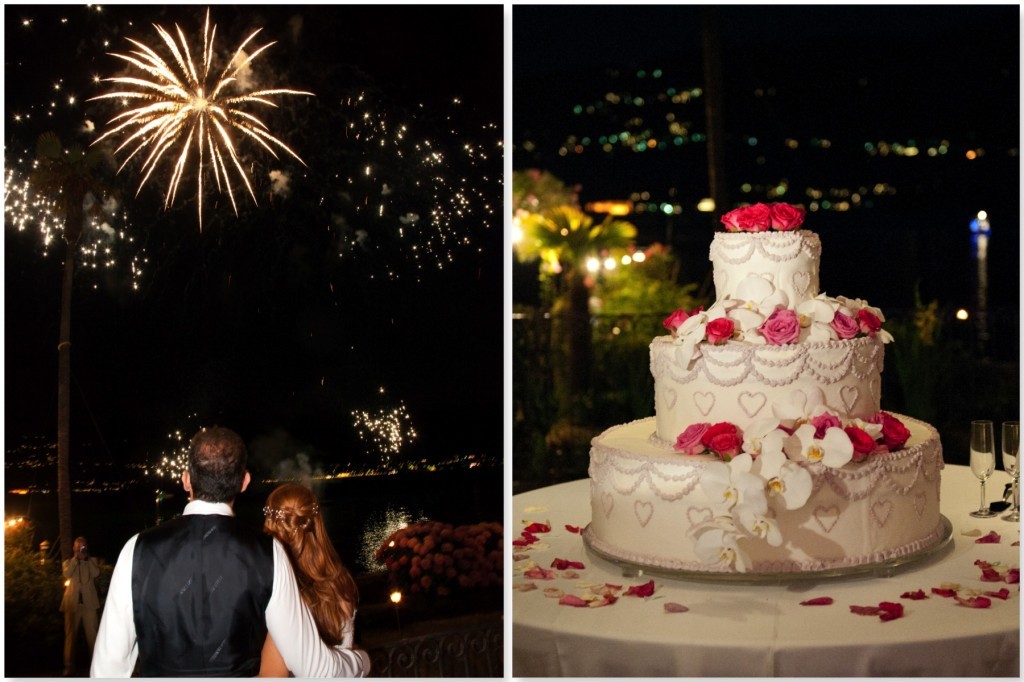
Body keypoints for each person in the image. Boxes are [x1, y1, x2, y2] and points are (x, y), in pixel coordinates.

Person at [90, 426, 370, 677]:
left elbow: (105, 671)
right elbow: (315, 669)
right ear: (244, 482)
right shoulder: (269, 554)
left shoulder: (135, 550)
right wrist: (359, 660)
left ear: (186, 480)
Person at [259, 484, 360, 677]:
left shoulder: (277, 596)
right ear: (317, 523)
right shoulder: (340, 582)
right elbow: (348, 648)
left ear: (269, 523)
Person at [62, 536, 101, 676]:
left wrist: (85, 559)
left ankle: (97, 666)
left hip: (89, 604)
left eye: (83, 547)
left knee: (93, 636)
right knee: (70, 636)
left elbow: (96, 573)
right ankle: (69, 666)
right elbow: (66, 573)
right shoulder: (67, 563)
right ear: (73, 548)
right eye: (78, 547)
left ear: (87, 548)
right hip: (72, 604)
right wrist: (75, 559)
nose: (80, 549)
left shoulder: (92, 561)